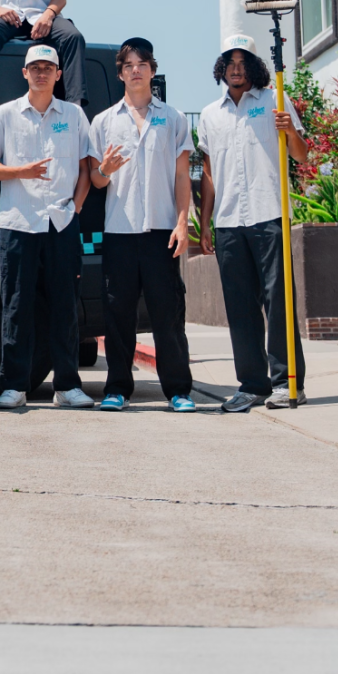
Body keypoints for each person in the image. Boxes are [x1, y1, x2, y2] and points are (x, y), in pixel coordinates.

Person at [0, 43, 93, 410]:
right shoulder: (7, 115)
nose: (41, 73)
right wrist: (20, 172)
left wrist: (76, 207)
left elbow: (86, 168)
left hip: (61, 222)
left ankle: (68, 386)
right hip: (18, 223)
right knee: (16, 306)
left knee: (65, 307)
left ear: (59, 74)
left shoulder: (74, 116)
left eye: (48, 67)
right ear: (24, 73)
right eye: (35, 68)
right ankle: (15, 385)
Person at [197, 33, 309, 413]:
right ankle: (252, 384)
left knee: (278, 303)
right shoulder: (211, 114)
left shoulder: (276, 100)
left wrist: (289, 130)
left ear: (256, 68)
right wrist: (205, 220)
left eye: (243, 63)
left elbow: (301, 155)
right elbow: (208, 173)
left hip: (269, 214)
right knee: (240, 307)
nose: (236, 69)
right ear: (221, 69)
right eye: (230, 63)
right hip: (229, 221)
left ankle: (287, 383)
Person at [88, 36, 195, 413]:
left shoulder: (174, 118)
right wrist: (106, 169)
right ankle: (117, 389)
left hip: (161, 231)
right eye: (128, 65)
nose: (136, 70)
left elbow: (182, 177)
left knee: (168, 313)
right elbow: (96, 180)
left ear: (152, 70)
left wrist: (183, 223)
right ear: (120, 73)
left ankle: (179, 390)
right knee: (117, 315)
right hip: (119, 231)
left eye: (142, 64)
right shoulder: (103, 122)